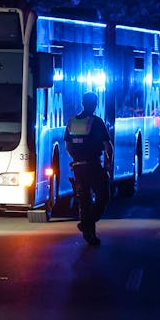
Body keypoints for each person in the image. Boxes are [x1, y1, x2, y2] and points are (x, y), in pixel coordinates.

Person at [64, 91, 113, 246]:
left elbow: (68, 146)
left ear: (82, 104)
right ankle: (87, 224)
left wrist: (76, 159)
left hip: (78, 166)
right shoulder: (97, 122)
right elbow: (107, 145)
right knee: (103, 195)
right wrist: (109, 163)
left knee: (84, 200)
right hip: (93, 164)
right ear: (94, 104)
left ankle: (89, 234)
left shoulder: (72, 122)